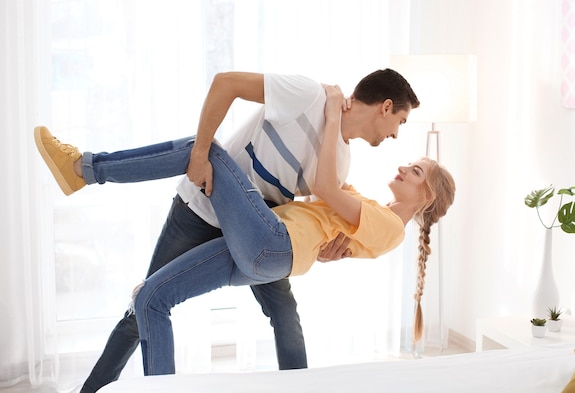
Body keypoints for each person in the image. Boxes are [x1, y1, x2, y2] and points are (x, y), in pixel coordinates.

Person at [34, 70, 420, 392]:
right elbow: (226, 84)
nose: (396, 135)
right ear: (386, 107)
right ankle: (91, 390)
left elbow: (310, 218)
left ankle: (85, 169)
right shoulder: (308, 96)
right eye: (400, 121)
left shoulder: (341, 163)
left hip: (257, 229)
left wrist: (330, 249)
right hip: (201, 209)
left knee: (284, 313)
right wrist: (200, 155)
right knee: (144, 308)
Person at [132, 86, 455, 375]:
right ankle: (297, 382)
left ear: (427, 197)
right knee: (151, 295)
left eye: (414, 172)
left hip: (274, 241)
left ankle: (90, 169)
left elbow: (325, 186)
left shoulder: (389, 227)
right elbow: (326, 194)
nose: (402, 168)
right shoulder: (375, 211)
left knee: (209, 152)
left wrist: (331, 117)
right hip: (272, 250)